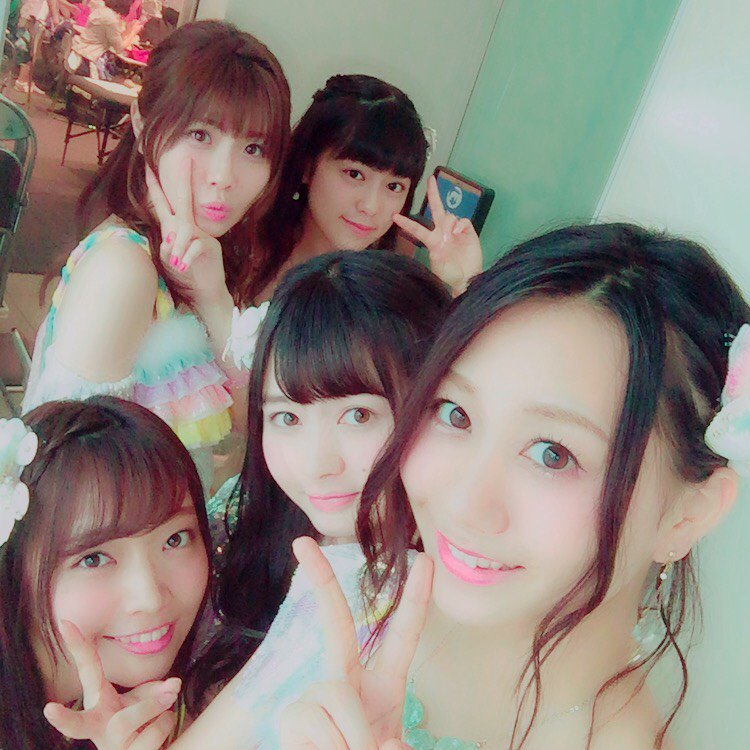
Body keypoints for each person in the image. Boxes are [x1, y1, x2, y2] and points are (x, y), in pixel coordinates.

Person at [278, 223, 749, 749]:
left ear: (688, 514)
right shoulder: (360, 592)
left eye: (553, 454)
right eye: (454, 413)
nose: (462, 504)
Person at [23, 20, 291, 486]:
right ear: (142, 125)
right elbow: (63, 481)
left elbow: (257, 427)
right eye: (201, 135)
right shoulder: (124, 269)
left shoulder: (194, 260)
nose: (224, 176)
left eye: (253, 148)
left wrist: (213, 296)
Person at [186, 250, 452, 713]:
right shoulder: (239, 520)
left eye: (358, 415)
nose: (316, 465)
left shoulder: (452, 591)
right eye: (287, 417)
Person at [0, 396, 211, 750]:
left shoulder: (206, 690)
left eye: (175, 539)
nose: (150, 598)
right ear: (14, 571)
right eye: (94, 559)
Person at [252, 74, 482, 302]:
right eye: (354, 174)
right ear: (307, 165)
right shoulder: (242, 253)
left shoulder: (394, 299)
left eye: (394, 186)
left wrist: (463, 284)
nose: (370, 207)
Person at [69, 0, 144, 80]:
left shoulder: (103, 11)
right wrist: (133, 33)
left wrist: (128, 31)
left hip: (83, 50)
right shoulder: (111, 20)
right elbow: (119, 48)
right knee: (120, 79)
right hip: (88, 58)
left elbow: (113, 39)